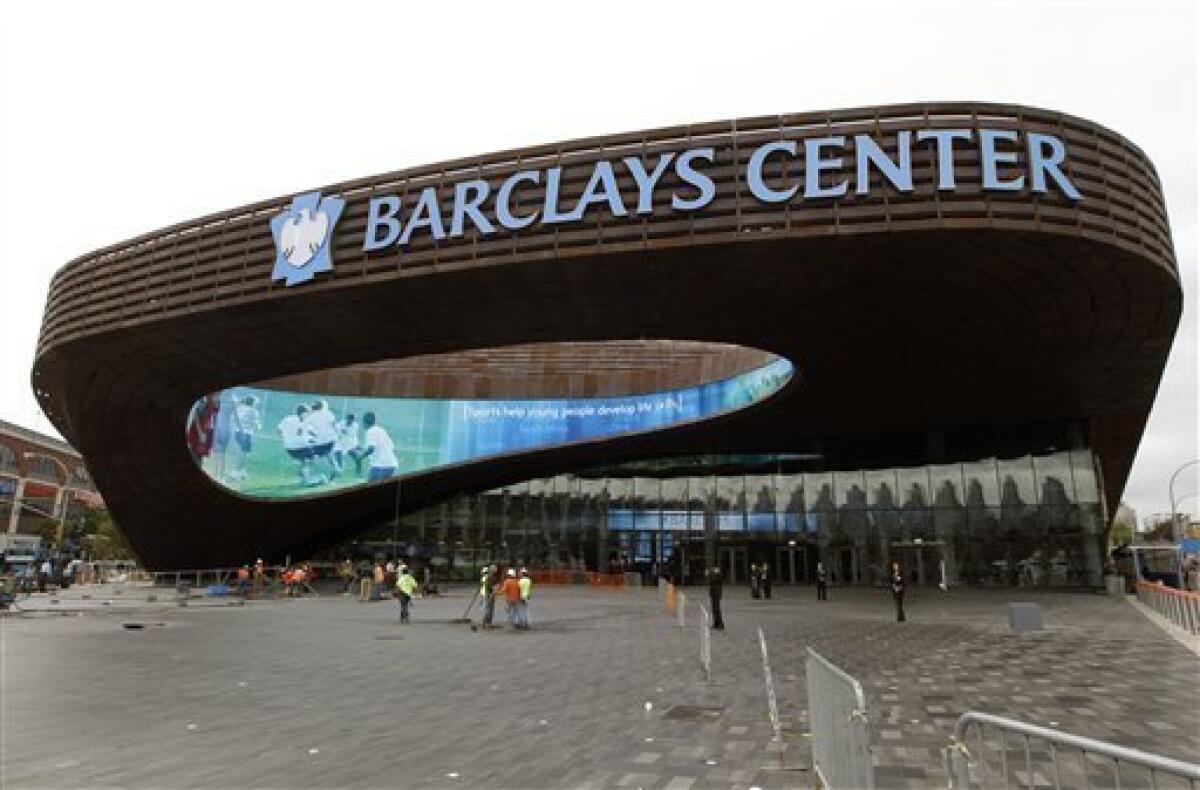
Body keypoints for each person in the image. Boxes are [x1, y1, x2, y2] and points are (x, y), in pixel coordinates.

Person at [356, 412, 398, 482]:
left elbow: (371, 449)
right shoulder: (381, 430)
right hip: (391, 464)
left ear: (364, 422)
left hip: (380, 466)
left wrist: (360, 457)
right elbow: (391, 446)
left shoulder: (370, 431)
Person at [228, 395, 261, 483]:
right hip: (246, 434)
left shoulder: (239, 408)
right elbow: (257, 425)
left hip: (238, 433)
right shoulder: (254, 411)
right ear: (252, 402)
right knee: (243, 453)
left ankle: (241, 471)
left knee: (243, 452)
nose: (256, 404)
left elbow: (233, 418)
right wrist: (258, 426)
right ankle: (235, 472)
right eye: (255, 402)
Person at [707, 565, 725, 630]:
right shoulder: (715, 576)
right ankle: (716, 623)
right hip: (714, 593)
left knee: (717, 609)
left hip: (716, 593)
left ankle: (720, 623)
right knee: (714, 609)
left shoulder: (718, 576)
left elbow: (714, 580)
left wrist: (709, 575)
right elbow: (711, 581)